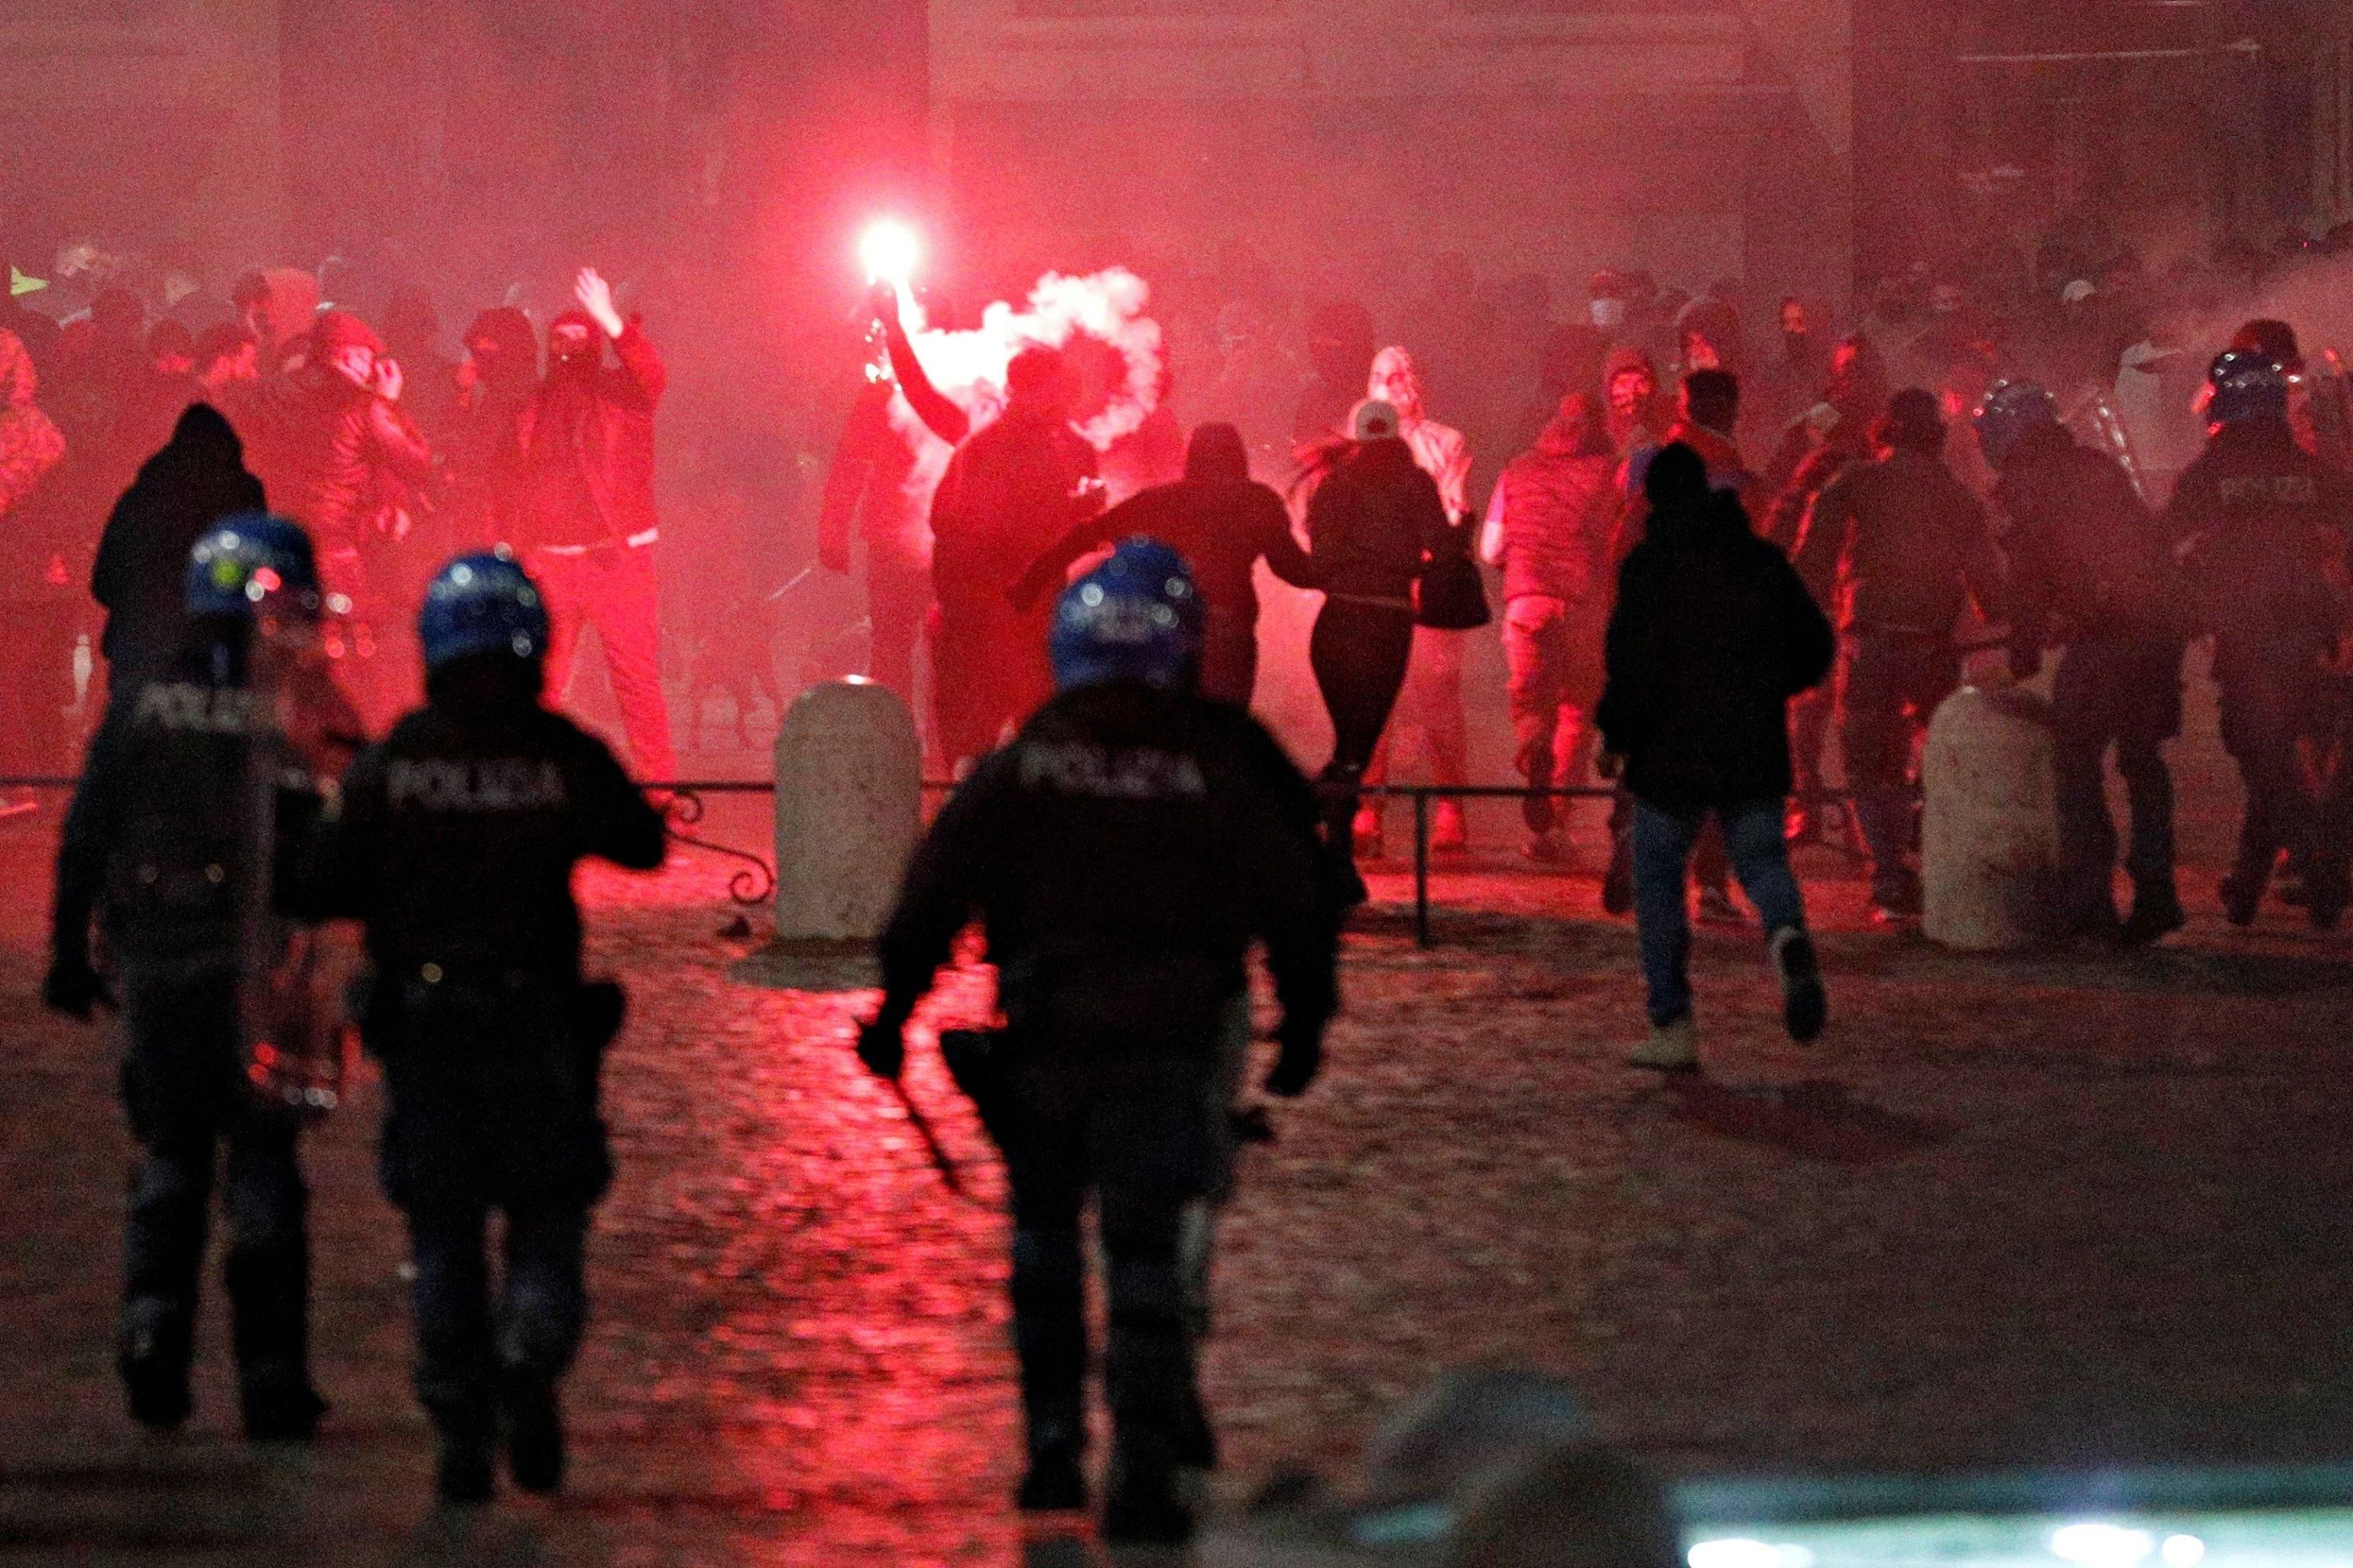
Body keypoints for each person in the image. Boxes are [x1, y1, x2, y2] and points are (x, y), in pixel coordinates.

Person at [859, 540, 1337, 1546]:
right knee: (1146, 1256)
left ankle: (1049, 1451)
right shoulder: (1220, 752)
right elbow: (1298, 893)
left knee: (1041, 1246)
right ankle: (1145, 1469)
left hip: (1047, 1037)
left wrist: (897, 1010)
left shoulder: (1030, 753)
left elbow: (936, 884)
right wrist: (1303, 1023)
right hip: (1169, 1042)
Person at [293, 551, 667, 1503]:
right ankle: (531, 1348)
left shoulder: (399, 759)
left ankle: (461, 1420)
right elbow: (642, 839)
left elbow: (319, 883)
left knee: (444, 1226)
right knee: (547, 1212)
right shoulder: (556, 750)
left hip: (423, 1032)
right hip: (538, 1024)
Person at [47, 516, 358, 1443]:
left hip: (158, 957)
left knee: (173, 1154)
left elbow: (89, 825)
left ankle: (153, 1330)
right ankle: (271, 1379)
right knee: (263, 1163)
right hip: (262, 963)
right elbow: (361, 811)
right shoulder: (303, 699)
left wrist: (69, 950)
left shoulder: (145, 695)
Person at [1596, 445, 1834, 1071]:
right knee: (1760, 858)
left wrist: (1615, 732)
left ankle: (1672, 1022)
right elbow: (1815, 645)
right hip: (1751, 740)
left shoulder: (1648, 567)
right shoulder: (1759, 560)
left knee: (1657, 876)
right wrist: (1769, 686)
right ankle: (1785, 934)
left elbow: (1627, 662)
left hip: (1669, 753)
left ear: (1654, 498)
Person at [1979, 380, 2188, 943]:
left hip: (2110, 636)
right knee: (2143, 762)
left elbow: (2026, 585)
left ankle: (2090, 899)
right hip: (2157, 629)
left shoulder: (2026, 483)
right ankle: (2156, 891)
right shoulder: (2099, 465)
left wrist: (2020, 658)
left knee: (2075, 762)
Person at [1795, 388, 2006, 922]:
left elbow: (1811, 558)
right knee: (1930, 751)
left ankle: (1888, 873)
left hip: (1868, 641)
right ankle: (1921, 839)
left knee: (1868, 761)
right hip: (1932, 644)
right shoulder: (1956, 496)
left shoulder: (1855, 481)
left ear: (1884, 430)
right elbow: (1988, 590)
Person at [2166, 353, 2353, 926]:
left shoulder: (2209, 474)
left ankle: (2319, 866)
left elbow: (2160, 545)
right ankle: (2246, 885)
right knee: (2271, 750)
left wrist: (2187, 598)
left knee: (2261, 750)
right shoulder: (2310, 471)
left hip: (2245, 636)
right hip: (2306, 635)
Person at [1011, 421, 1317, 706]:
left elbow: (1089, 535)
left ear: (1191, 457)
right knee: (1221, 732)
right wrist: (1345, 572)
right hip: (1229, 630)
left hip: (1166, 629)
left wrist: (1033, 580)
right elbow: (1292, 570)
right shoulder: (1257, 501)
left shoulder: (1161, 501)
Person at [515, 267, 678, 784]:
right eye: (557, 339)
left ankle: (661, 794)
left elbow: (652, 374)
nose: (566, 347)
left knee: (635, 680)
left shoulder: (621, 394)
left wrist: (611, 319)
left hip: (617, 558)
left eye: (577, 338)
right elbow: (513, 477)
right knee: (541, 683)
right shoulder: (535, 405)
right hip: (553, 561)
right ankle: (531, 791)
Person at [253, 309, 439, 729]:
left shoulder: (269, 397)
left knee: (283, 653)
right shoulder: (362, 405)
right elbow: (417, 461)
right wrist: (387, 402)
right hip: (333, 551)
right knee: (346, 660)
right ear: (354, 357)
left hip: (275, 546)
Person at [1303, 400, 1455, 901]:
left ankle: (1332, 850)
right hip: (1387, 619)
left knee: (1349, 740)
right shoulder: (1415, 483)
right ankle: (1330, 850)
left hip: (1336, 619)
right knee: (1358, 744)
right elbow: (1440, 542)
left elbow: (1318, 552)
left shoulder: (1333, 483)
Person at [927, 343, 1101, 772]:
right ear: (1041, 389)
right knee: (1028, 712)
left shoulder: (983, 443)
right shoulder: (1022, 444)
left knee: (980, 725)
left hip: (978, 605)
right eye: (1060, 387)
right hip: (1013, 607)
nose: (1067, 397)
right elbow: (1012, 524)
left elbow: (941, 516)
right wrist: (1078, 508)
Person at [1480, 392, 1617, 863]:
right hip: (1582, 604)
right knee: (1576, 712)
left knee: (1531, 704)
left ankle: (1534, 752)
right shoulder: (1608, 471)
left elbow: (1490, 548)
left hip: (1527, 601)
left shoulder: (1517, 469)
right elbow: (1614, 540)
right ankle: (1554, 823)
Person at [817, 284, 957, 709]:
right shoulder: (881, 395)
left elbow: (849, 462)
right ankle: (897, 746)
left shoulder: (963, 387)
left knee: (929, 651)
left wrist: (833, 531)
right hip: (895, 539)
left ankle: (933, 755)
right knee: (897, 649)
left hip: (944, 538)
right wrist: (832, 530)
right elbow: (852, 460)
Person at [1359, 347, 1475, 854]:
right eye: (1384, 376)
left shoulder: (1446, 441)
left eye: (1403, 373)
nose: (1395, 383)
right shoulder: (1355, 448)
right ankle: (1369, 809)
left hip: (1429, 587)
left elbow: (1455, 508)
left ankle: (1451, 808)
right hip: (1377, 590)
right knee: (1373, 701)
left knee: (1438, 700)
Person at [92, 403, 269, 697]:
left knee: (138, 740)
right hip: (218, 658)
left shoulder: (141, 497)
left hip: (141, 653)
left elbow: (104, 582)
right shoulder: (244, 498)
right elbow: (257, 580)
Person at [443, 307, 540, 550]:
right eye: (476, 351)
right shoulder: (503, 394)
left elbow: (472, 455)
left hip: (506, 520)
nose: (476, 360)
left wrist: (462, 395)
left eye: (487, 349)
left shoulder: (511, 398)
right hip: (506, 519)